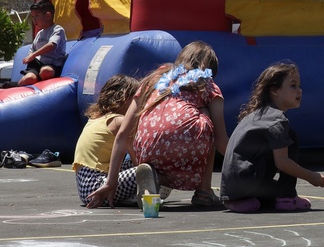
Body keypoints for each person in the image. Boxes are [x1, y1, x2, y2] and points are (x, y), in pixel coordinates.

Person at [86, 41, 228, 209]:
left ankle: (156, 177)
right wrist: (245, 162)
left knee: (161, 130)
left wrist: (111, 181)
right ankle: (204, 191)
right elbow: (221, 141)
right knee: (204, 114)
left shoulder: (152, 80)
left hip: (147, 149)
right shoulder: (207, 85)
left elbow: (123, 133)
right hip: (185, 144)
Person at [220, 61, 324, 213]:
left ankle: (239, 200)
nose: (300, 90)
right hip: (248, 181)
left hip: (232, 188)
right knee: (291, 137)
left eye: (299, 85)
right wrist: (312, 177)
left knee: (271, 186)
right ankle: (287, 196)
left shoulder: (256, 115)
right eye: (293, 85)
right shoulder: (277, 119)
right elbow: (282, 162)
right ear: (275, 91)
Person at [73, 74, 142, 206]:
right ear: (124, 98)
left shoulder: (97, 119)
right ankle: (145, 195)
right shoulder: (119, 121)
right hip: (98, 186)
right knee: (152, 169)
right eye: (136, 101)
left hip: (87, 188)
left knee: (134, 165)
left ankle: (129, 196)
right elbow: (137, 160)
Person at [18, 0, 67, 86]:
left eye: (37, 16)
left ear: (48, 16)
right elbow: (32, 50)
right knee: (29, 78)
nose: (34, 20)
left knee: (46, 72)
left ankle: (39, 80)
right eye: (32, 17)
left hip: (52, 64)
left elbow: (51, 45)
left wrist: (34, 55)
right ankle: (13, 87)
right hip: (37, 64)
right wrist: (31, 56)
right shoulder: (39, 33)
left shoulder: (58, 30)